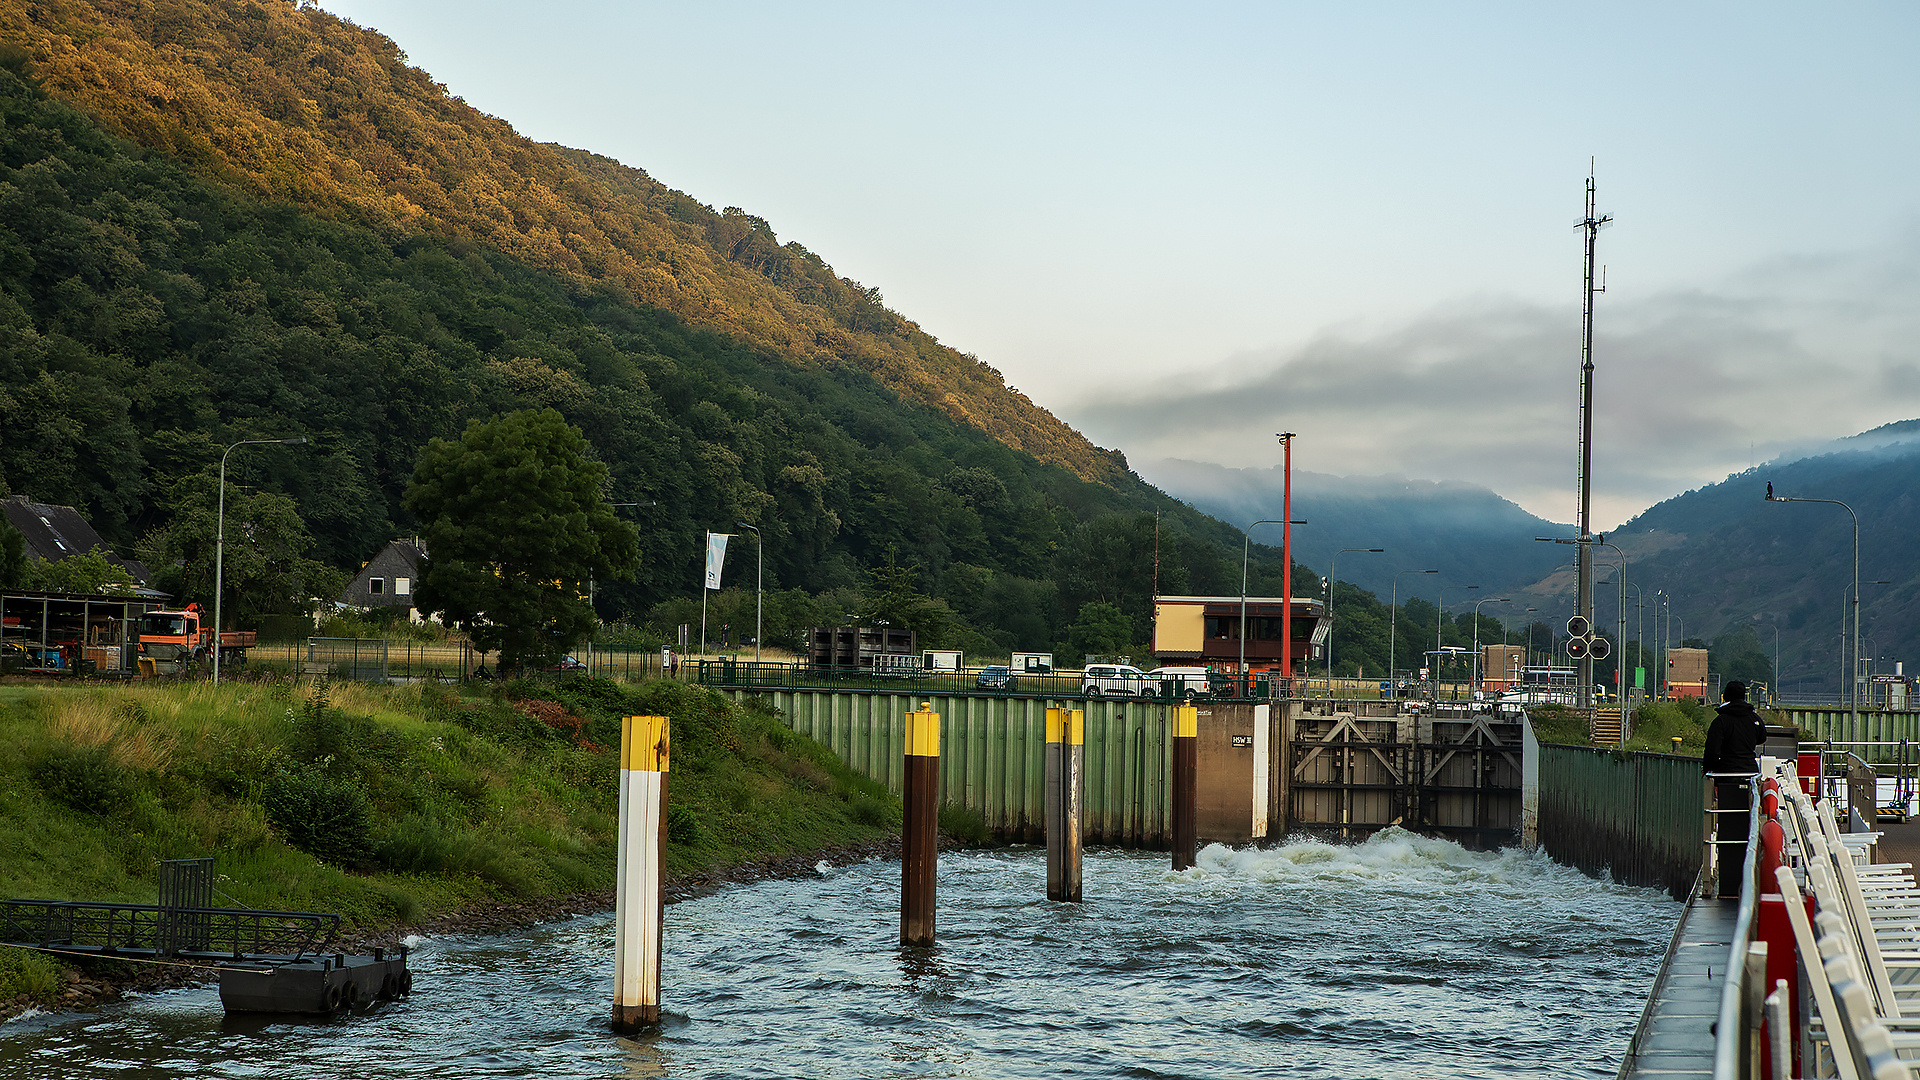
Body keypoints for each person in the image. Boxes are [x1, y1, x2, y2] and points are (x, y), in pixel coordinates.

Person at [1703, 680, 1767, 898]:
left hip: (1727, 777)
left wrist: (1709, 772)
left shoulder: (1721, 721)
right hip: (1750, 777)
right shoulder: (1753, 718)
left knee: (1727, 826)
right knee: (1749, 825)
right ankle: (1748, 872)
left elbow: (1711, 752)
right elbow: (1762, 736)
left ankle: (1725, 878)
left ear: (1725, 696)